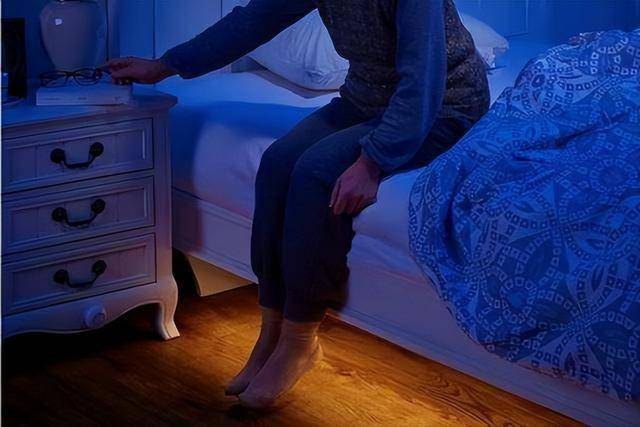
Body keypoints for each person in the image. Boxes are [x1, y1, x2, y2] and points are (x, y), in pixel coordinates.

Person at [106, 0, 490, 409]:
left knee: (315, 172)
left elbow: (422, 79)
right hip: (367, 99)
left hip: (442, 107)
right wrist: (164, 65)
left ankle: (300, 339)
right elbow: (255, 20)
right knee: (276, 163)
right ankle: (271, 331)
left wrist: (373, 161)